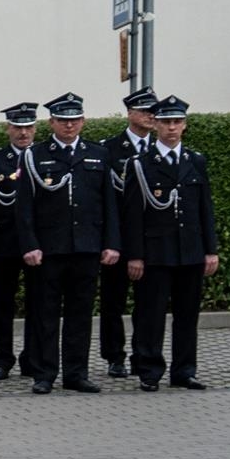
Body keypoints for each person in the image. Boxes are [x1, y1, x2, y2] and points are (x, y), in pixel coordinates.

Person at [117, 95, 217, 391]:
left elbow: (205, 209)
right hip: (155, 252)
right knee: (151, 314)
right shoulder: (140, 164)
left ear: (185, 125)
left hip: (190, 251)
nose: (171, 128)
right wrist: (134, 255)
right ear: (156, 124)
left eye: (177, 122)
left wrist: (210, 249)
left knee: (187, 315)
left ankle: (184, 370)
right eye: (165, 122)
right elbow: (132, 215)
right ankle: (150, 370)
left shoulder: (195, 161)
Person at [24, 93, 118, 394]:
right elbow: (24, 207)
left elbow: (109, 204)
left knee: (80, 314)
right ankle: (45, 374)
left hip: (87, 246)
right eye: (63, 120)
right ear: (51, 123)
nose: (69, 125)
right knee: (45, 314)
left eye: (74, 119)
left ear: (83, 121)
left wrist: (111, 243)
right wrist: (30, 244)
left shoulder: (98, 154)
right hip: (49, 248)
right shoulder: (35, 155)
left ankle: (76, 373)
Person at [99, 89, 158, 377]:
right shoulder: (108, 150)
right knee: (113, 302)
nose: (150, 116)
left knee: (147, 303)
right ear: (130, 113)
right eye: (144, 110)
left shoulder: (160, 150)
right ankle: (114, 356)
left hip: (152, 241)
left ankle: (142, 355)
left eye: (153, 111)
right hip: (119, 239)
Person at [0, 103, 40, 381]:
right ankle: (2, 359)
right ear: (8, 128)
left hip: (38, 245)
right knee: (2, 304)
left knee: (38, 303)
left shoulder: (43, 158)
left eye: (28, 127)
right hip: (4, 243)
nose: (23, 132)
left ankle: (32, 358)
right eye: (18, 127)